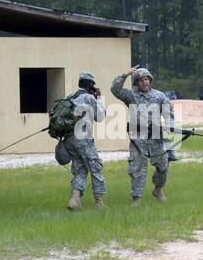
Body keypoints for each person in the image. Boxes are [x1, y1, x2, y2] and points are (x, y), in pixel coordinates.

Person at [111, 66, 175, 206]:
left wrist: (170, 125)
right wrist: (125, 74)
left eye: (146, 79)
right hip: (138, 139)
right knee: (137, 169)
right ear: (136, 83)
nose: (144, 82)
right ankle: (136, 198)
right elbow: (115, 89)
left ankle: (158, 190)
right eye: (141, 80)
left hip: (156, 138)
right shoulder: (131, 95)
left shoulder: (159, 96)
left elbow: (168, 112)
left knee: (163, 167)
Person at [63, 72, 107, 210]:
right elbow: (100, 117)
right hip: (83, 139)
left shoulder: (70, 97)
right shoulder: (89, 98)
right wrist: (98, 98)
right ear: (90, 85)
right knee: (96, 168)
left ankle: (75, 200)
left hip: (69, 140)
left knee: (80, 169)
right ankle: (99, 203)